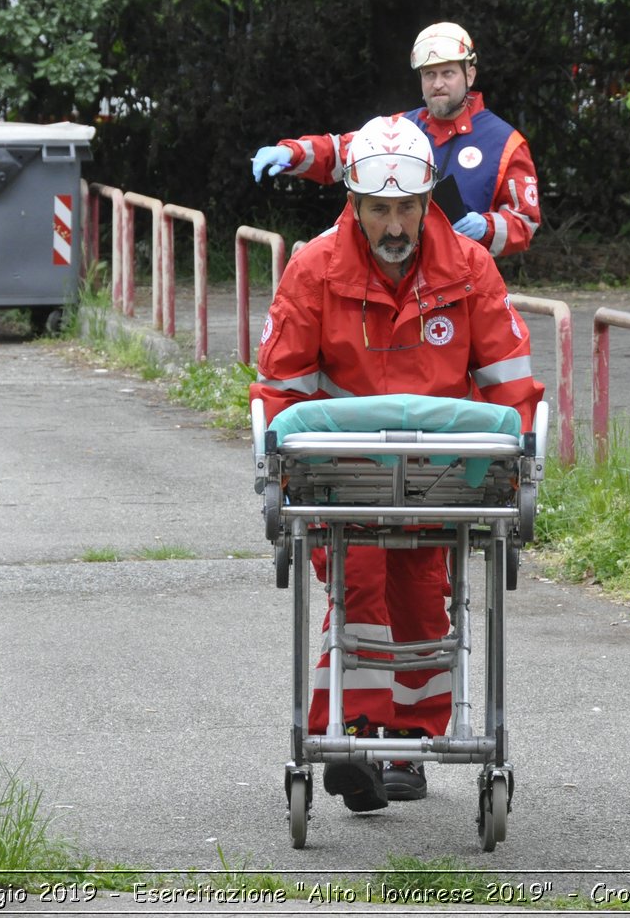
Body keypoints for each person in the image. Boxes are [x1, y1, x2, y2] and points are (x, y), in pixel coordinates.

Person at [249, 115, 543, 811]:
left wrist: (520, 464)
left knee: (420, 603)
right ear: (354, 203)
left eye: (404, 208)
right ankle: (357, 734)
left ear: (426, 204)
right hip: (341, 474)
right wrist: (278, 468)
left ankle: (404, 745)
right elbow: (282, 385)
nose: (392, 225)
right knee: (362, 592)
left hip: (444, 474)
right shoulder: (315, 269)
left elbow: (510, 378)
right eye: (377, 209)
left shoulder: (469, 269)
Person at [250, 22, 543, 258]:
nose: (437, 84)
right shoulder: (400, 128)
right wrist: (294, 152)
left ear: (470, 75)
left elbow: (525, 222)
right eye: (429, 75)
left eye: (448, 73)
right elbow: (341, 153)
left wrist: (487, 227)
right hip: (393, 280)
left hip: (463, 285)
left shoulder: (505, 142)